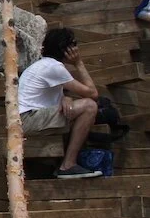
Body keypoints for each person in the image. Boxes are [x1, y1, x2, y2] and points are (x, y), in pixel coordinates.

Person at [18, 27, 102, 179]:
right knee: (89, 106)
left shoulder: (43, 65)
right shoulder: (54, 67)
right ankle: (68, 165)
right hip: (28, 120)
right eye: (74, 45)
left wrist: (66, 97)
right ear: (67, 49)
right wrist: (79, 63)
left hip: (27, 118)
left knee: (76, 109)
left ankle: (61, 163)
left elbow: (51, 94)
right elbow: (93, 93)